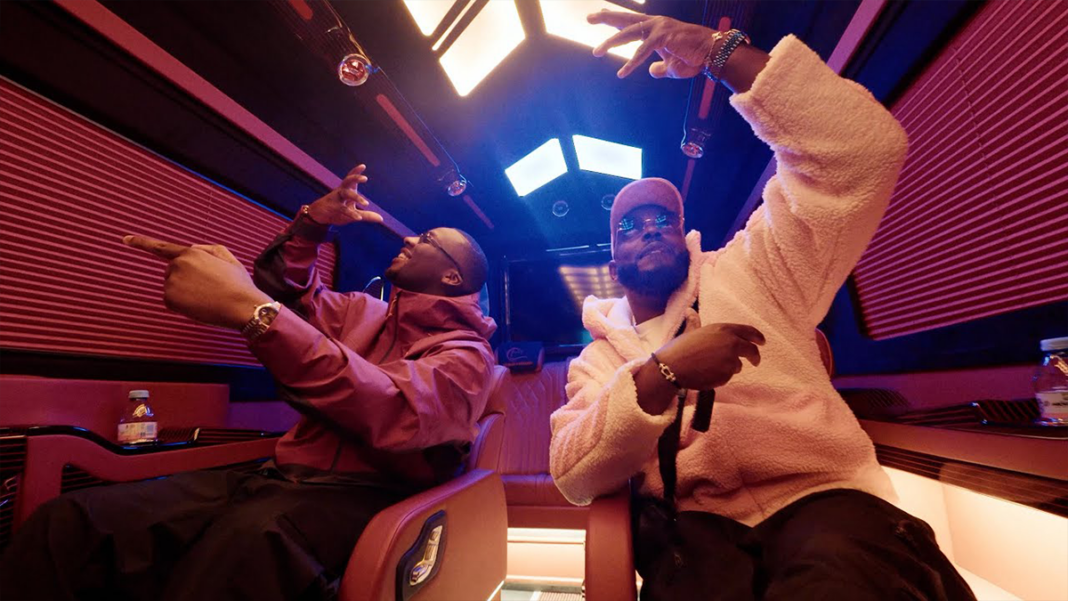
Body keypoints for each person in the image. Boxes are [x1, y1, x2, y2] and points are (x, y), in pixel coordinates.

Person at [549, 11, 975, 601]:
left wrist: (718, 52)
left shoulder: (758, 267)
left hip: (825, 505)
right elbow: (573, 473)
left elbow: (862, 153)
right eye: (630, 226)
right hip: (690, 535)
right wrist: (661, 375)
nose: (649, 228)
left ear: (685, 236)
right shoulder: (596, 361)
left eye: (663, 219)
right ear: (614, 265)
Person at [0, 164, 498, 600]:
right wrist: (312, 224)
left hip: (364, 494)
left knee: (241, 551)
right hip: (275, 476)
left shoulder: (467, 355)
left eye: (426, 239)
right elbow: (286, 294)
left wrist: (254, 311)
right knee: (68, 523)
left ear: (453, 278)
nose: (408, 239)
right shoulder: (360, 311)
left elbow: (395, 411)